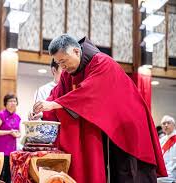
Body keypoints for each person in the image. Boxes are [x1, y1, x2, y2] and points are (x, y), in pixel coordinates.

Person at [31, 34, 167, 183]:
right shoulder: (68, 73)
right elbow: (56, 95)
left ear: (76, 51)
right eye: (58, 63)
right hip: (108, 126)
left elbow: (90, 91)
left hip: (128, 124)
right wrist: (42, 111)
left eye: (64, 61)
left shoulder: (102, 62)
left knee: (130, 173)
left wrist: (53, 104)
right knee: (115, 174)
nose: (62, 67)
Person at [0, 93, 21, 183]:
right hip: (1, 150)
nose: (13, 103)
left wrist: (16, 134)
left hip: (12, 150)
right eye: (10, 101)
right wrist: (9, 132)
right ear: (5, 103)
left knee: (9, 174)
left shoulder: (17, 117)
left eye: (14, 101)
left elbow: (19, 133)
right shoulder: (1, 115)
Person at [158, 115, 176, 182]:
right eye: (163, 124)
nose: (166, 125)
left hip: (173, 170)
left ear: (174, 125)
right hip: (163, 170)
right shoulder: (161, 140)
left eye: (168, 123)